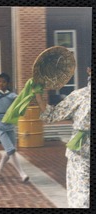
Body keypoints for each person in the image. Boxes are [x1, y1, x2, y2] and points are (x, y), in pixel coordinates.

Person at [34, 67, 91, 208]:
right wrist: (38, 94)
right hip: (81, 153)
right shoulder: (80, 95)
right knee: (83, 198)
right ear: (89, 70)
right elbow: (53, 114)